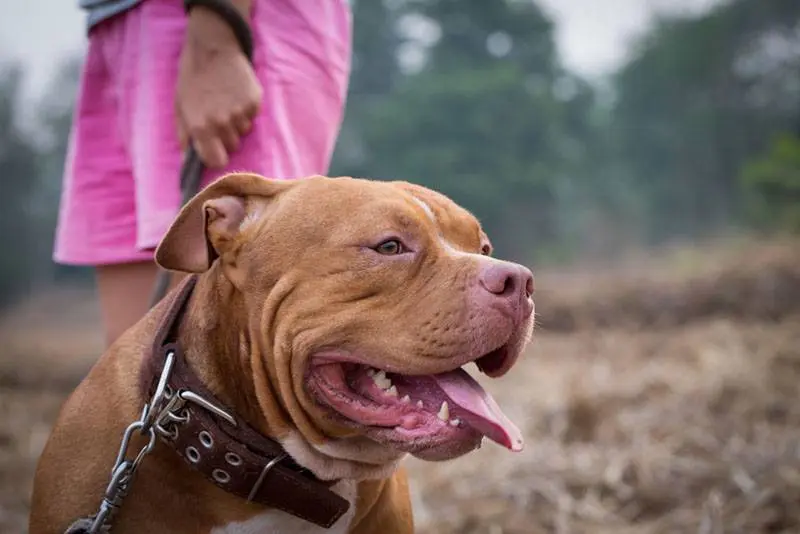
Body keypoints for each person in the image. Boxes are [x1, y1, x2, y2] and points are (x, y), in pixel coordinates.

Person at [54, 0, 352, 347]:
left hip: (225, 22)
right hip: (118, 26)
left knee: (213, 350)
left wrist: (219, 30)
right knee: (133, 359)